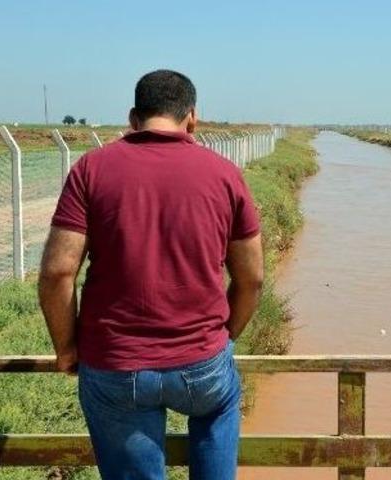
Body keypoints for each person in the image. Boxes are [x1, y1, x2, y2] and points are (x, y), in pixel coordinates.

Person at [39, 69, 263, 480]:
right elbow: (252, 279)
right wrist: (224, 336)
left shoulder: (91, 169)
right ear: (192, 118)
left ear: (133, 117)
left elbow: (57, 272)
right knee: (220, 404)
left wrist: (66, 348)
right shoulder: (225, 174)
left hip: (115, 362)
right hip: (203, 361)